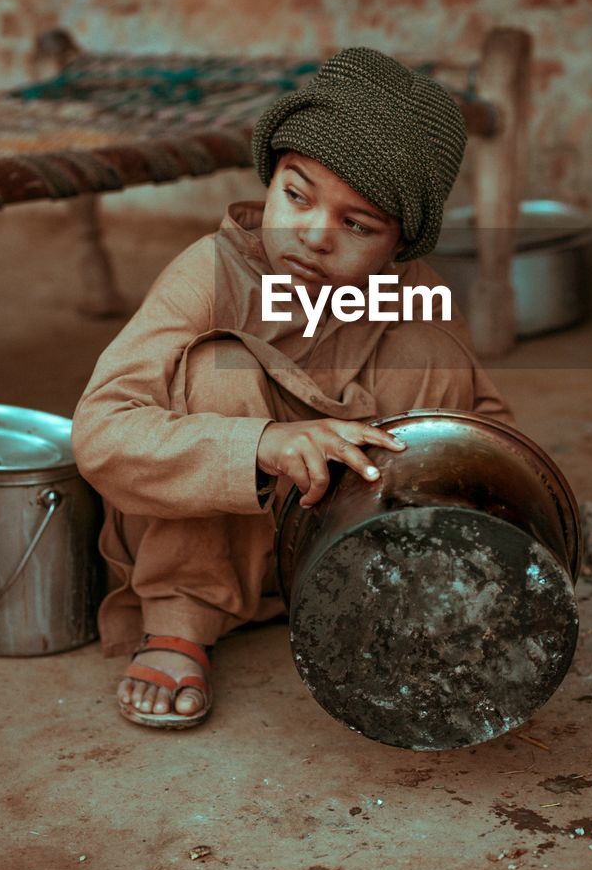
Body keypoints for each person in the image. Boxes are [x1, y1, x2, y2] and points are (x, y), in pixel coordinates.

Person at [71, 47, 514, 730]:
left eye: (356, 225)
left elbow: (485, 428)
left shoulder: (415, 295)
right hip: (212, 544)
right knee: (219, 369)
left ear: (399, 245)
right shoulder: (210, 273)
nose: (311, 236)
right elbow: (101, 432)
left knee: (429, 357)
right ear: (270, 178)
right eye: (296, 195)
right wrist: (264, 444)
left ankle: (365, 599)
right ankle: (179, 626)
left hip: (332, 554)